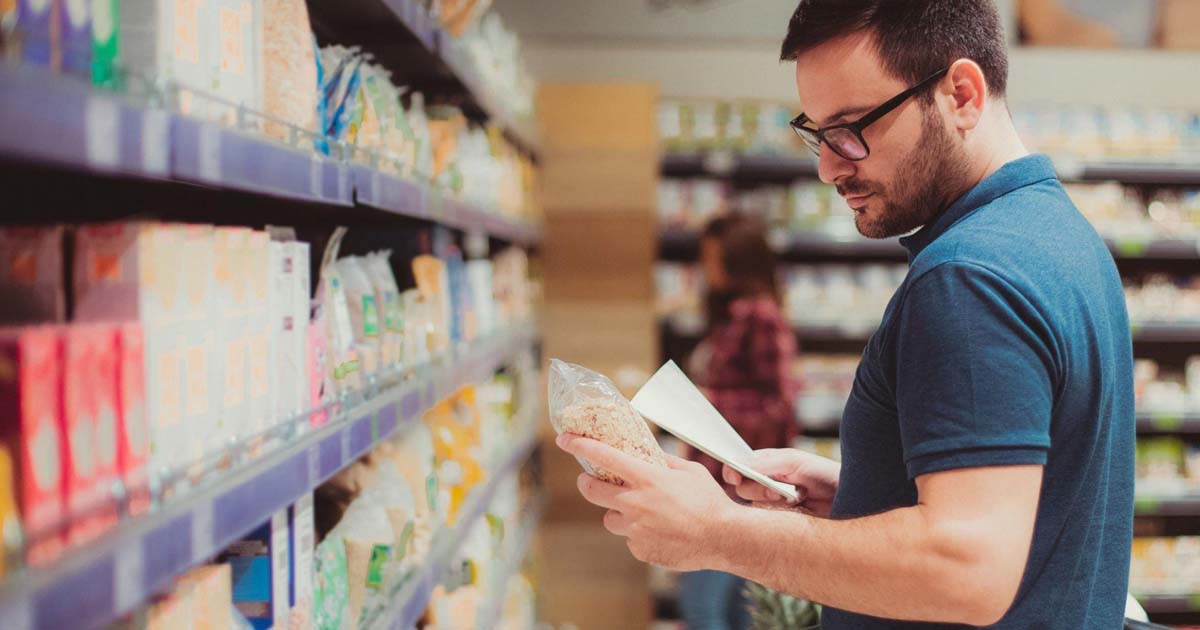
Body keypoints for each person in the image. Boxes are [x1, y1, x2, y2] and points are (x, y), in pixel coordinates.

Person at [557, 1, 1135, 628]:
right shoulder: (1057, 233)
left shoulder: (967, 279)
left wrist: (715, 532)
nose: (829, 165)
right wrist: (864, 492)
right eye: (818, 133)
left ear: (962, 95)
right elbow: (1034, 515)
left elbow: (967, 571)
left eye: (853, 127)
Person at [679, 213, 798, 630]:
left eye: (712, 257)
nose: (705, 267)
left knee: (705, 609)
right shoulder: (729, 313)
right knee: (733, 610)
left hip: (737, 484)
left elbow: (778, 404)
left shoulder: (760, 316)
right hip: (718, 478)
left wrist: (705, 403)